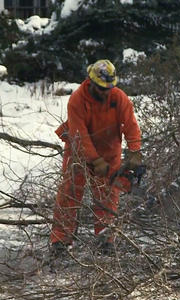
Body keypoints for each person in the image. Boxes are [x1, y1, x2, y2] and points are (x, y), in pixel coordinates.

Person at [50, 59, 143, 256]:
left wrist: (135, 152)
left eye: (108, 88)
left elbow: (131, 126)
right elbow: (79, 135)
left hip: (109, 149)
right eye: (101, 88)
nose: (105, 92)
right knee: (70, 193)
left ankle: (105, 240)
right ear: (90, 82)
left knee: (107, 197)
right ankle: (60, 241)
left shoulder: (119, 98)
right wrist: (94, 160)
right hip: (78, 150)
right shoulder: (77, 100)